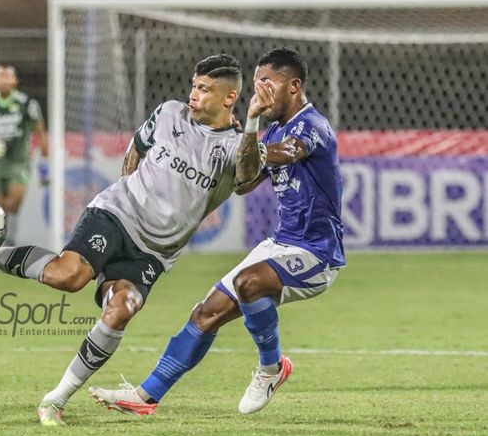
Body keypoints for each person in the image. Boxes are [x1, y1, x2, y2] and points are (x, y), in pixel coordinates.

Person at [0, 53, 270, 426]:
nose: (193, 94)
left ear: (228, 97)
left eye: (204, 89)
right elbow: (136, 149)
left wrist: (252, 123)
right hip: (116, 214)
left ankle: (55, 399)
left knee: (121, 309)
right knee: (68, 277)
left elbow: (248, 178)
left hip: (154, 252)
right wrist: (126, 191)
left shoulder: (240, 145)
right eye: (193, 85)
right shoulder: (170, 112)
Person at [89, 47, 345, 416]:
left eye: (268, 82)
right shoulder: (269, 128)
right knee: (206, 313)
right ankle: (145, 397)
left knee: (248, 283)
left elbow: (285, 153)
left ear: (294, 85)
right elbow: (245, 181)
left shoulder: (312, 126)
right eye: (256, 84)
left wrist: (245, 139)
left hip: (318, 252)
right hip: (281, 243)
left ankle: (271, 369)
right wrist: (249, 134)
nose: (259, 92)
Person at [0, 64, 50, 245]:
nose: (4, 80)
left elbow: (40, 132)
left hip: (19, 161)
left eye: (8, 76)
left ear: (15, 81)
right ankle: (0, 240)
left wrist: (44, 162)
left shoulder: (26, 104)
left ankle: (9, 241)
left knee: (14, 202)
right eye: (0, 76)